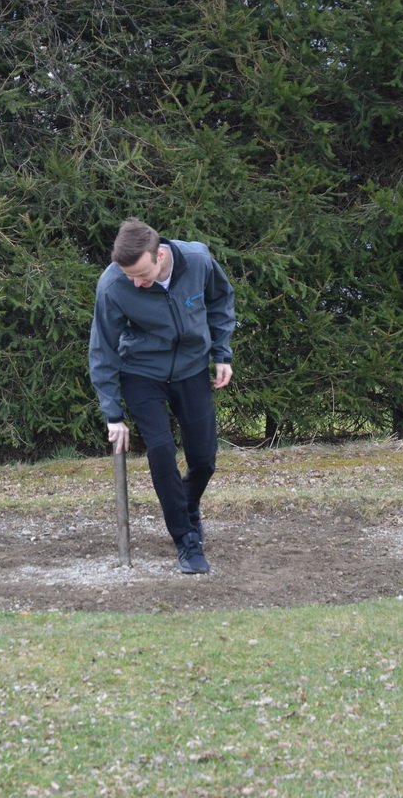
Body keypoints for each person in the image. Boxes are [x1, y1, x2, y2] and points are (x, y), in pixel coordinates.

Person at [88, 218, 236, 574]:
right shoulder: (112, 285)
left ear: (161, 256)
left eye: (142, 274)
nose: (136, 283)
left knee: (204, 459)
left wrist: (222, 353)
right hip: (142, 373)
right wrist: (112, 414)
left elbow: (220, 299)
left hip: (191, 369)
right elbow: (102, 349)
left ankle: (186, 504)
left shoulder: (197, 260)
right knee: (161, 451)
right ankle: (186, 540)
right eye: (130, 276)